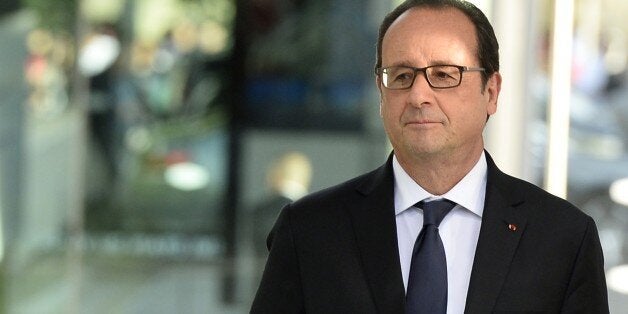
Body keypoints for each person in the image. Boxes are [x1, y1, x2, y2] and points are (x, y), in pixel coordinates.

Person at [250, 0, 609, 313]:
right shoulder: (310, 230)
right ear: (381, 92)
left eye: (443, 74)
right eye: (402, 75)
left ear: (492, 91)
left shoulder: (563, 238)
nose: (418, 95)